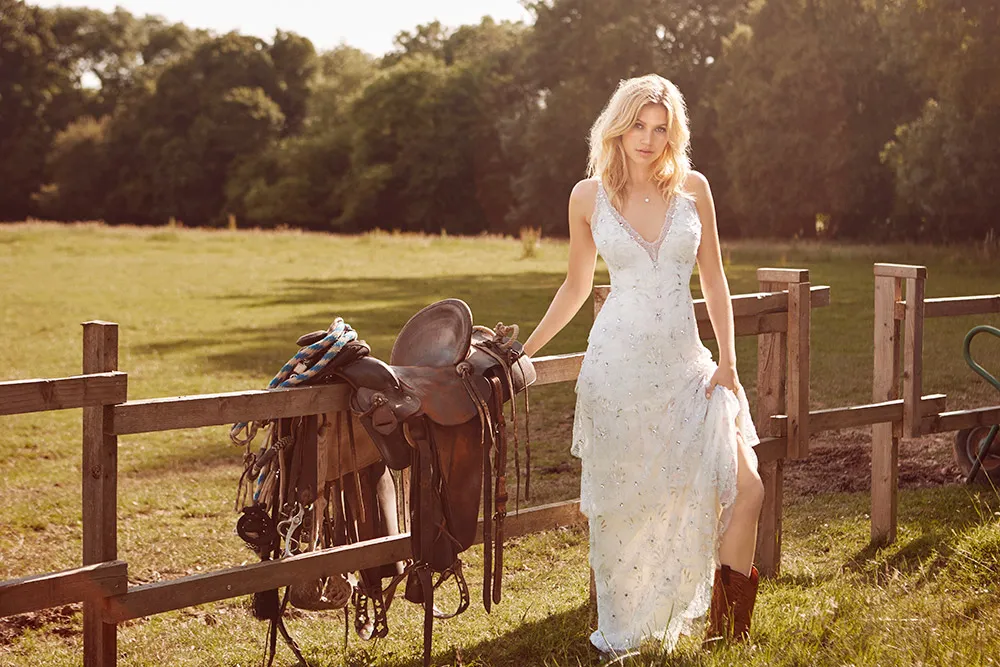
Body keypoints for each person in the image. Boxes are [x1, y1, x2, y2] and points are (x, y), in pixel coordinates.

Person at [521, 74, 765, 655]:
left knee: (747, 488)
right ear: (618, 125)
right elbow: (578, 285)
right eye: (638, 125)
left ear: (673, 133)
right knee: (630, 511)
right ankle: (636, 629)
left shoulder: (693, 189)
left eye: (661, 128)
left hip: (689, 368)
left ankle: (728, 637)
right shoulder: (587, 196)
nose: (649, 139)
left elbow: (715, 280)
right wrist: (522, 350)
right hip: (618, 373)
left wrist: (728, 362)